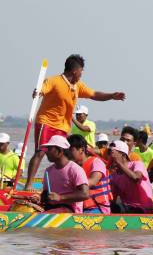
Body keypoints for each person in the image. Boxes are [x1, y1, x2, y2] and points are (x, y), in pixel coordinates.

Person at [25, 54, 125, 190]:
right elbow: (41, 90)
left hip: (63, 126)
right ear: (75, 71)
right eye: (81, 71)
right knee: (41, 152)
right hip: (47, 122)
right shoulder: (53, 81)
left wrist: (112, 96)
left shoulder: (78, 86)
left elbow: (94, 94)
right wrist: (37, 93)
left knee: (67, 155)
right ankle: (29, 184)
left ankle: (66, 184)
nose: (82, 74)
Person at [39, 135, 89, 213]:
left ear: (60, 151)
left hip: (70, 210)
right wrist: (40, 198)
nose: (46, 152)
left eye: (50, 149)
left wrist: (60, 197)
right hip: (51, 208)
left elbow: (85, 194)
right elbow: (46, 194)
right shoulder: (48, 170)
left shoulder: (75, 169)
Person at [67, 134, 112, 214]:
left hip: (97, 208)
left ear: (82, 149)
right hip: (79, 207)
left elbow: (93, 181)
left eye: (71, 150)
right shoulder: (72, 166)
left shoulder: (96, 162)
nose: (68, 153)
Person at [108, 140, 153, 212]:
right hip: (127, 207)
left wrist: (119, 163)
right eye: (109, 153)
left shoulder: (137, 164)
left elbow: (136, 178)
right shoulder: (114, 175)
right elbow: (113, 198)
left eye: (112, 153)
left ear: (123, 155)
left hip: (142, 207)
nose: (110, 156)